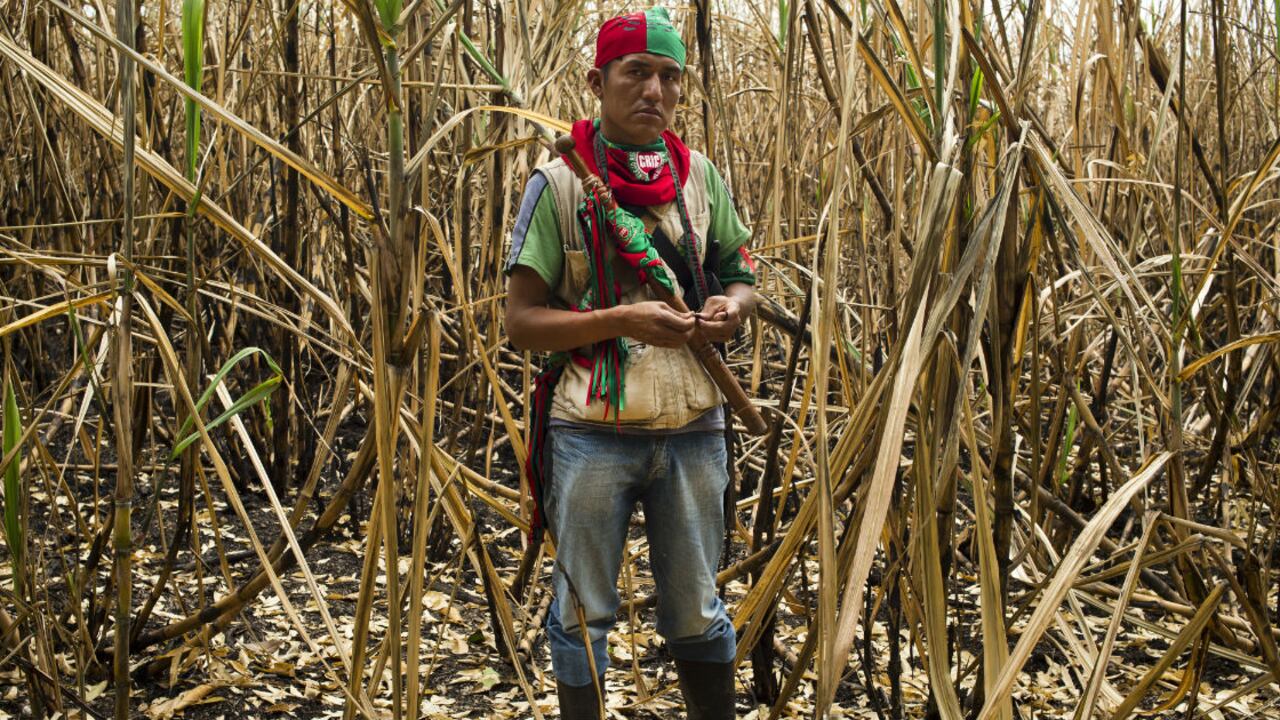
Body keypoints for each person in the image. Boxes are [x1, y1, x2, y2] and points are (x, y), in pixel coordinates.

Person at [504, 7, 757, 719]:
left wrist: (732, 308)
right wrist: (617, 319)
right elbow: (520, 322)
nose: (654, 91)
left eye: (669, 77)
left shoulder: (699, 177)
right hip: (591, 431)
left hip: (693, 429)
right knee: (583, 614)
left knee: (697, 612)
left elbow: (741, 274)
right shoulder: (557, 184)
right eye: (636, 72)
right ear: (598, 80)